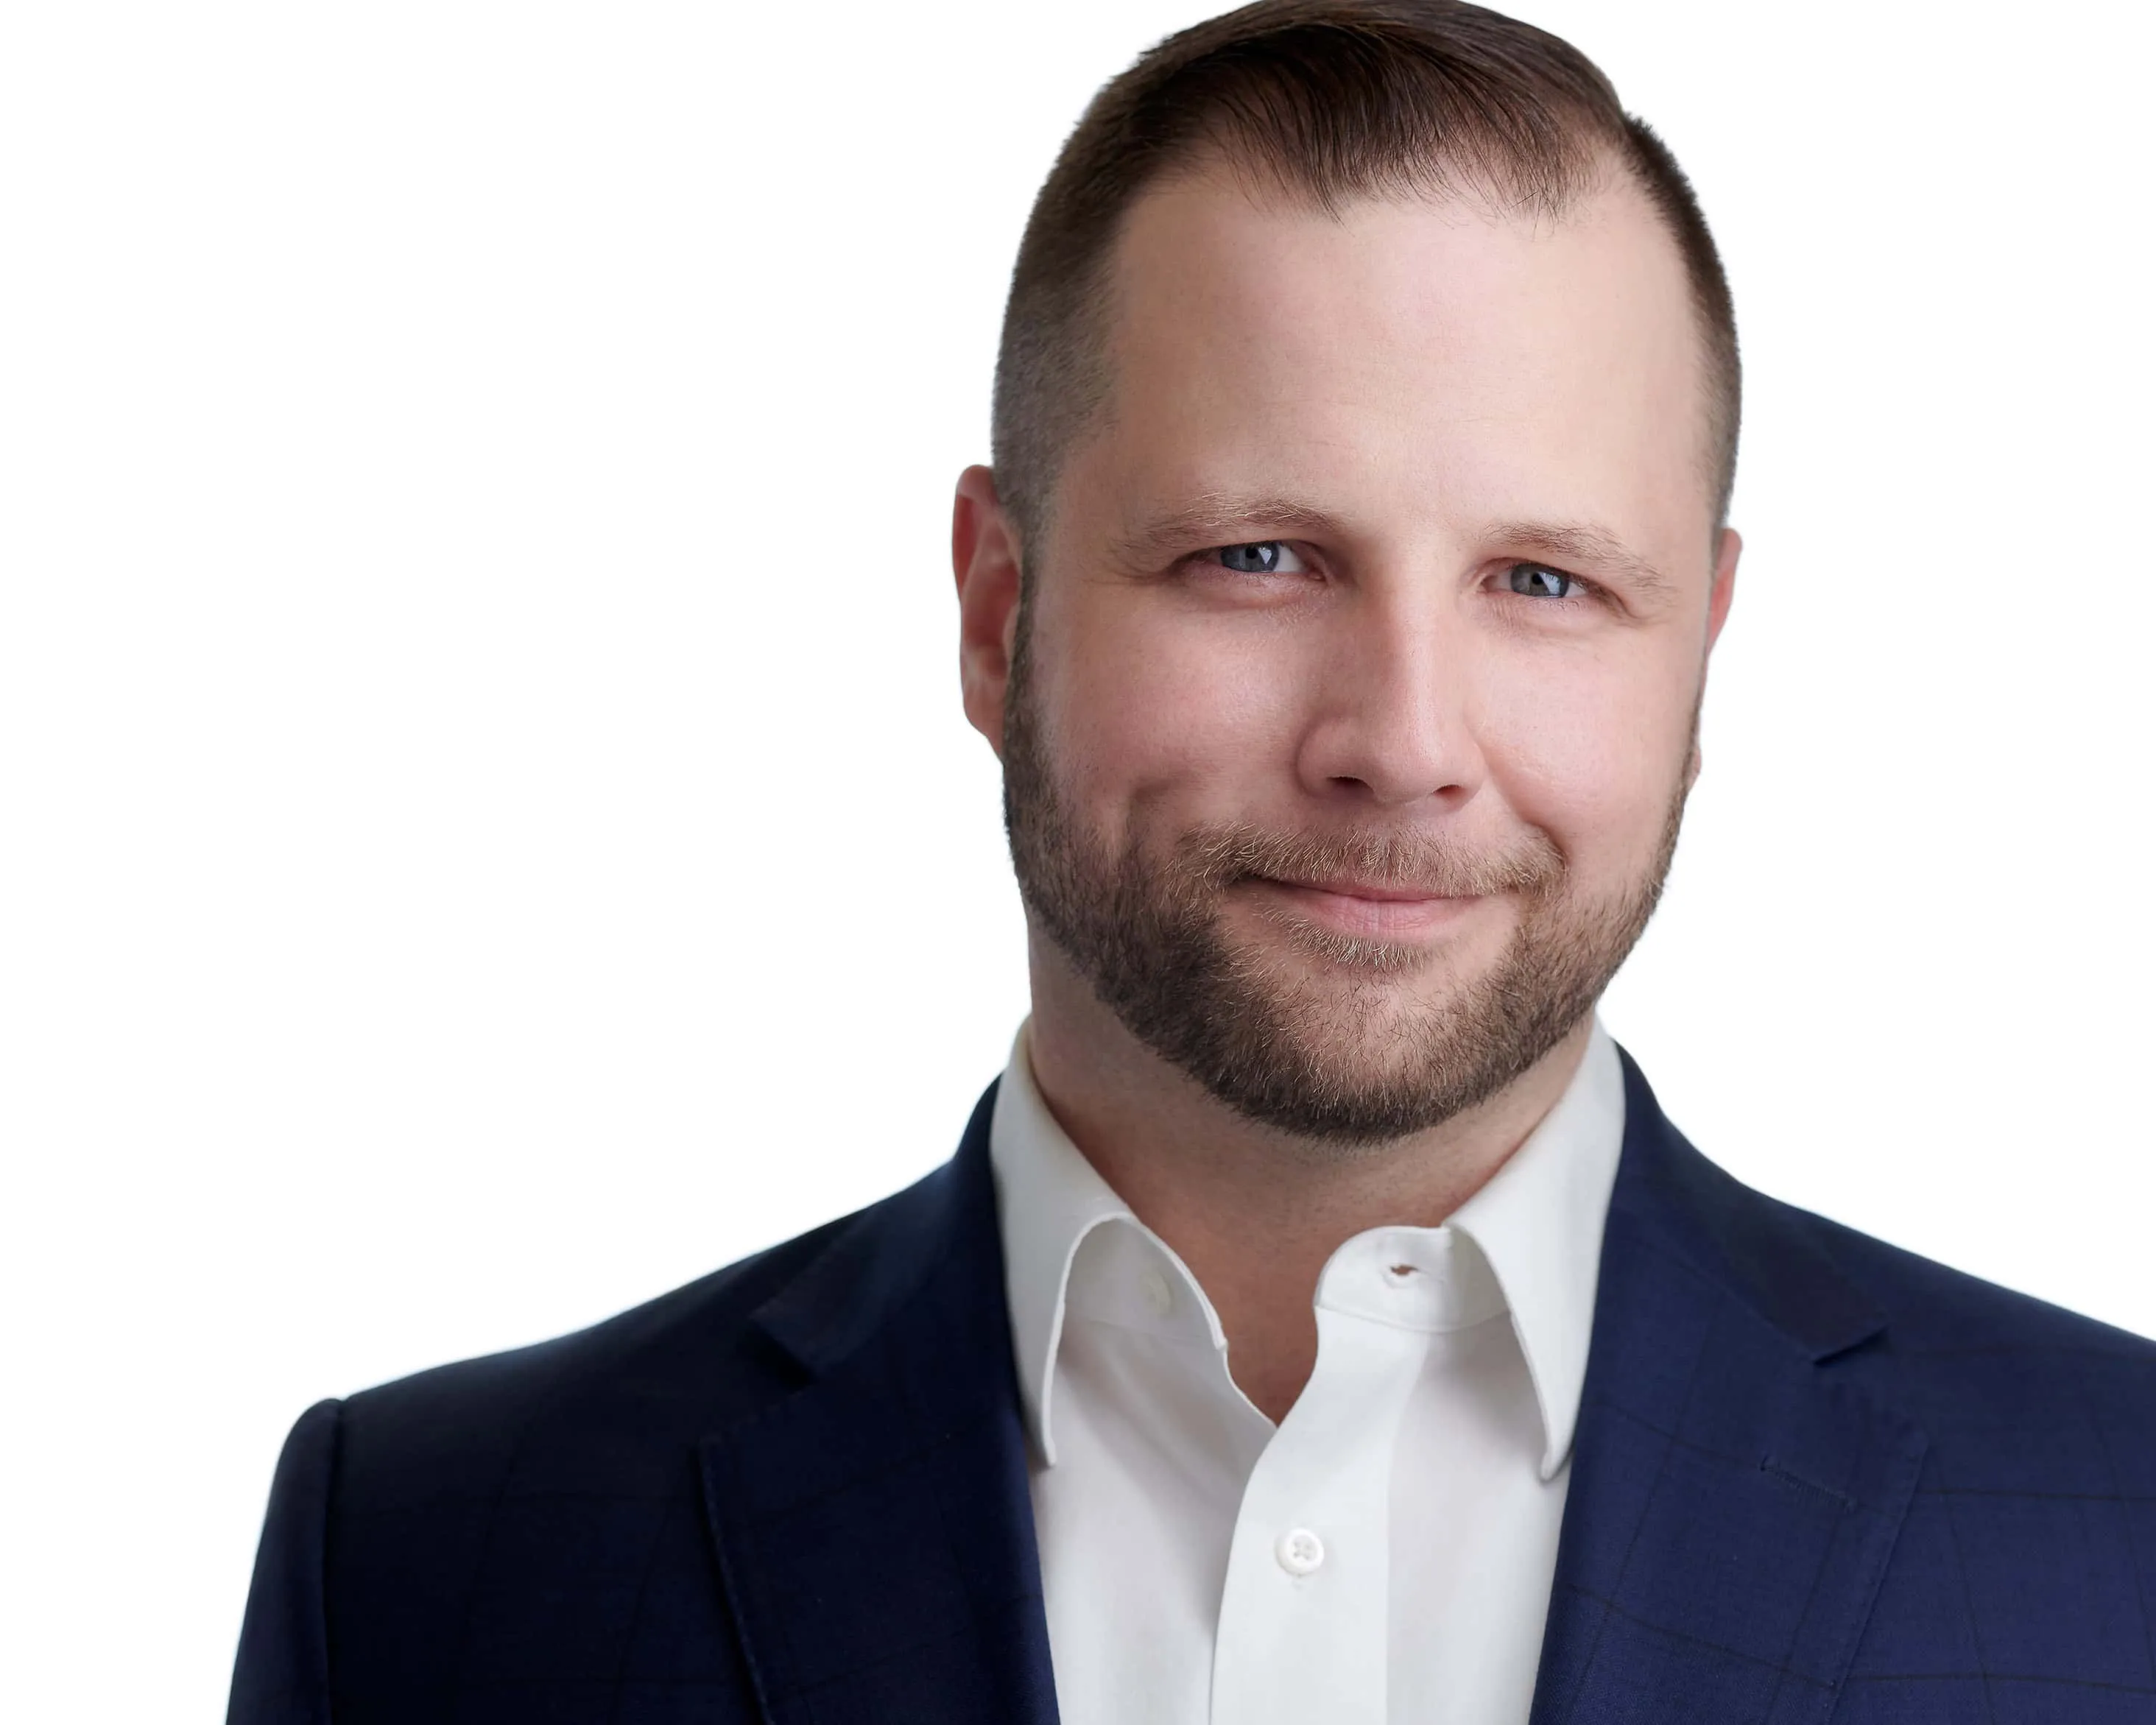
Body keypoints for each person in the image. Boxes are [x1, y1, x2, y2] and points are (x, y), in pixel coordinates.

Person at [226, 1, 2156, 1720]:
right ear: (999, 613)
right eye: (1256, 556)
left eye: (1546, 581)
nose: (1402, 738)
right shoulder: (420, 1570)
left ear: (1703, 653)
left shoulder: (2122, 1532)